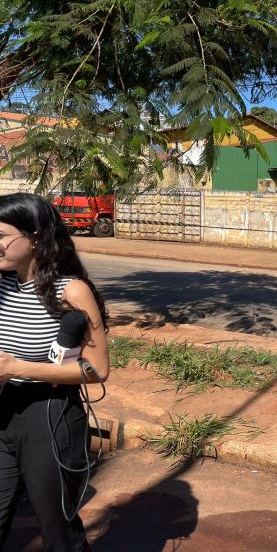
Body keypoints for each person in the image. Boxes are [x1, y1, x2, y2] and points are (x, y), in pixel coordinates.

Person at [0, 193, 110, 551]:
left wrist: (17, 367)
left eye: (1, 236)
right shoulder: (2, 285)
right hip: (3, 411)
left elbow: (96, 370)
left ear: (35, 237)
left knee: (57, 528)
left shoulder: (71, 291)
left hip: (49, 415)